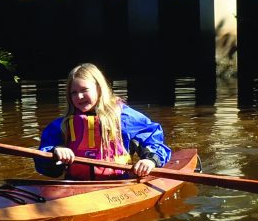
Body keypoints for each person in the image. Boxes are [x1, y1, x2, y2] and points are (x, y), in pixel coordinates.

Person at [37, 63, 171, 180]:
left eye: (84, 90)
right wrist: (55, 152)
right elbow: (43, 161)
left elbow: (153, 139)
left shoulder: (125, 118)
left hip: (119, 182)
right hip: (76, 183)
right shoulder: (62, 125)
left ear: (99, 89)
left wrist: (150, 161)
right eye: (73, 92)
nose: (79, 96)